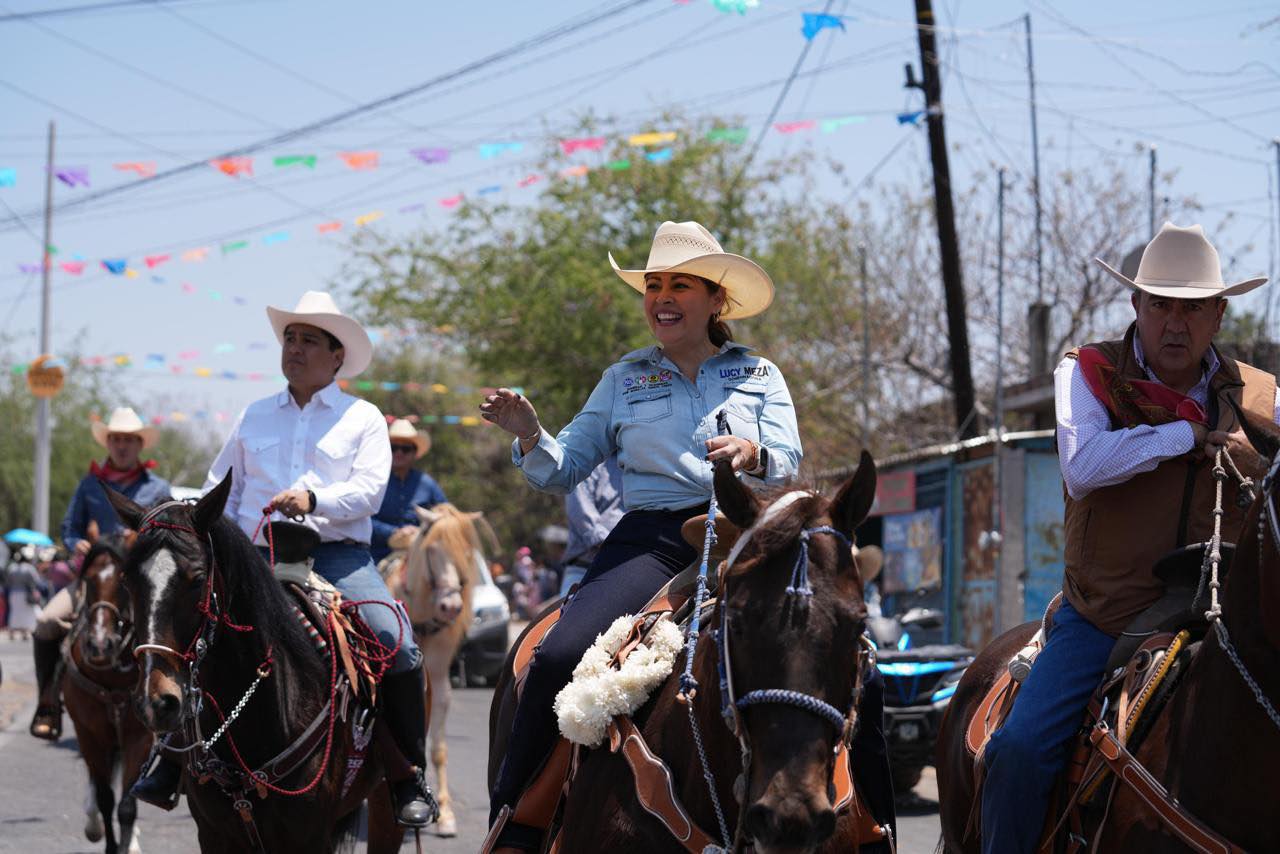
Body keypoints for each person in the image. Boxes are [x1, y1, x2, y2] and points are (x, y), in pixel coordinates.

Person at [481, 220, 839, 851]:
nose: (662, 297)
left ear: (716, 301)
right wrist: (530, 433)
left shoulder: (759, 373)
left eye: (680, 284)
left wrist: (753, 451)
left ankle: (867, 828)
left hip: (752, 535)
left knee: (843, 650)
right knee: (559, 656)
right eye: (653, 286)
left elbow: (788, 456)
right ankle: (516, 823)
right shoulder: (623, 378)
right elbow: (564, 470)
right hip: (654, 538)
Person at [981, 223, 1276, 853]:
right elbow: (1083, 467)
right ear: (1135, 307)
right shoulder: (1088, 372)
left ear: (1218, 314)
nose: (1176, 323)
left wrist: (1255, 461)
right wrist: (1185, 436)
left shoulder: (1261, 396)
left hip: (1222, 620)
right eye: (1161, 304)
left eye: (1193, 307)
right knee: (1019, 752)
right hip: (1106, 620)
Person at [130, 290, 435, 826]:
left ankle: (407, 773)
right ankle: (171, 758)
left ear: (337, 355)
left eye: (308, 340)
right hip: (251, 561)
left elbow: (369, 492)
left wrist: (313, 500)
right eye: (290, 338)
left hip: (338, 558)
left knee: (398, 646)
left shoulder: (362, 418)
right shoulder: (253, 416)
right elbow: (216, 486)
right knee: (198, 632)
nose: (294, 348)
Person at [29, 407, 171, 740]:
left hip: (140, 586)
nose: (122, 446)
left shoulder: (158, 488)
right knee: (47, 622)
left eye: (129, 440)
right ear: (108, 443)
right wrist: (77, 543)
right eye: (116, 439)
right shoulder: (90, 484)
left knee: (175, 633)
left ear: (140, 445)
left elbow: (169, 533)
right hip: (93, 582)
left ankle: (175, 716)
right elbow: (70, 526)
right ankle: (48, 703)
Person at [370, 419, 448, 563]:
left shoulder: (427, 483)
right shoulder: (372, 480)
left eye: (405, 449)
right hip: (376, 554)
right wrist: (393, 532)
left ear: (414, 453)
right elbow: (362, 518)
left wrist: (420, 531)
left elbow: (445, 514)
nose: (399, 453)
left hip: (420, 554)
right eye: (393, 448)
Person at [558, 456, 624, 597]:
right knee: (568, 615)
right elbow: (580, 511)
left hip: (627, 566)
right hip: (585, 568)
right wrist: (613, 544)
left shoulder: (637, 463)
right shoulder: (587, 460)